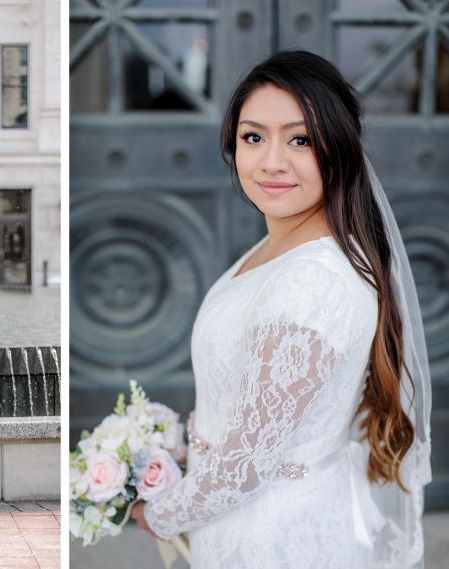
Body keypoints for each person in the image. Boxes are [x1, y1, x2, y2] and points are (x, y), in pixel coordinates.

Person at [131, 50, 431, 568]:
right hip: (242, 528)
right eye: (253, 137)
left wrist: (154, 514)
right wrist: (182, 455)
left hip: (272, 540)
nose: (272, 161)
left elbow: (245, 466)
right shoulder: (278, 248)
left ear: (338, 150)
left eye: (300, 139)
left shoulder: (313, 281)